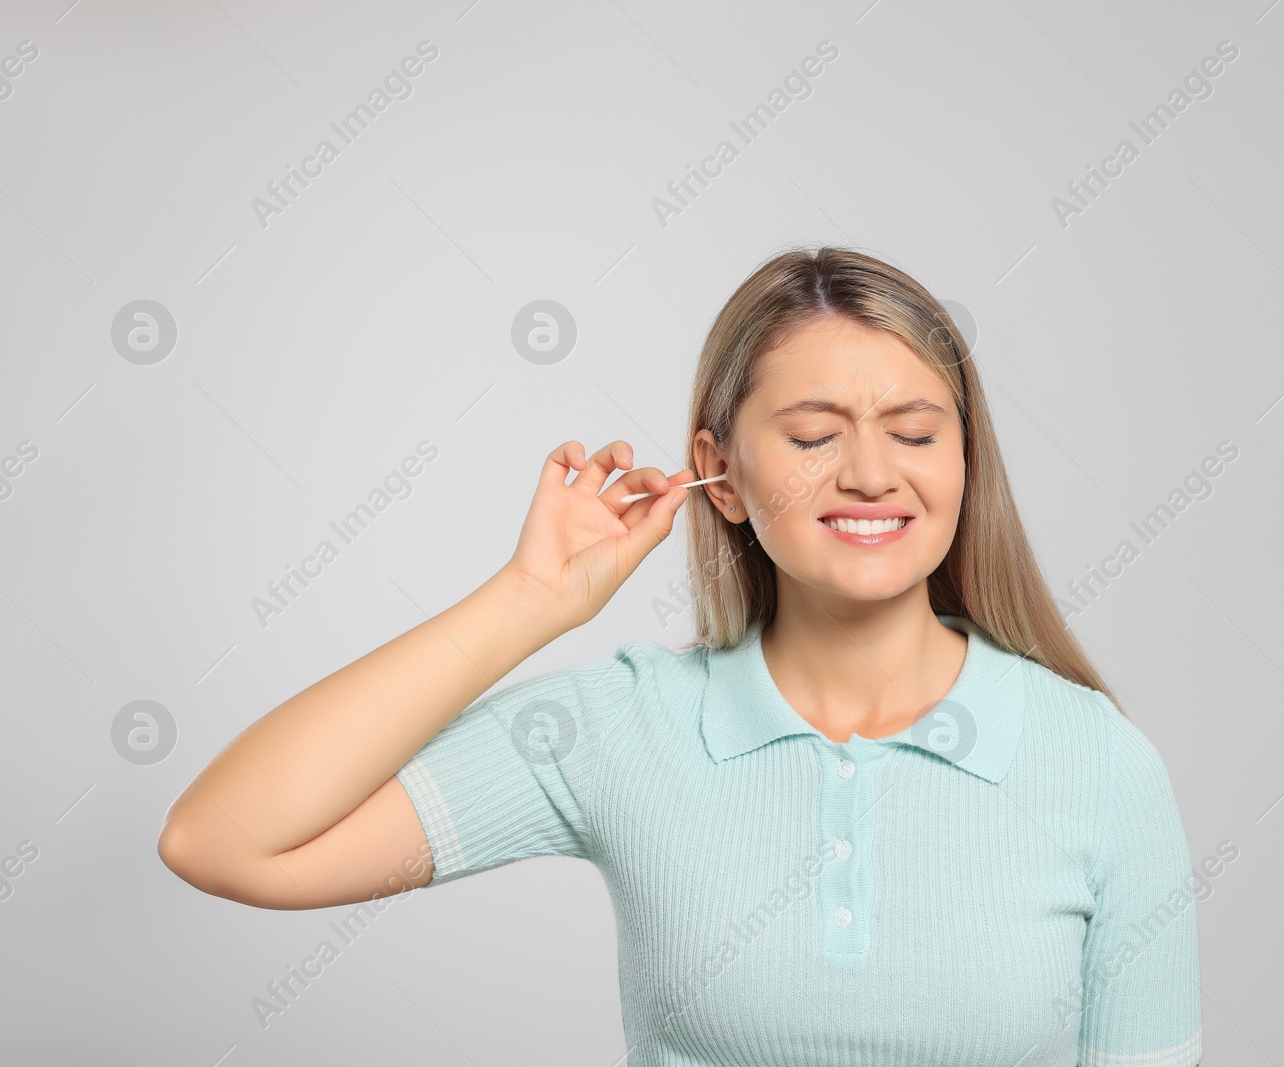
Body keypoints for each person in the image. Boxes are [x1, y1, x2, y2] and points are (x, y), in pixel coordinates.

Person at [159, 246, 1202, 1066]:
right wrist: (529, 601)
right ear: (722, 472)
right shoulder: (621, 727)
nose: (873, 471)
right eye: (812, 434)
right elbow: (225, 838)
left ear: (964, 464)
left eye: (916, 430)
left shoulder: (1097, 763)